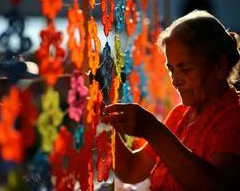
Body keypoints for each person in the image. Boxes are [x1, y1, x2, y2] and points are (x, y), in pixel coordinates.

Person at [101, 10, 240, 190]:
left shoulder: (234, 118)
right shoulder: (179, 116)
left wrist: (153, 130)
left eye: (186, 69)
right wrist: (109, 125)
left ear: (219, 66)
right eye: (172, 70)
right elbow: (132, 170)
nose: (175, 80)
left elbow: (213, 185)